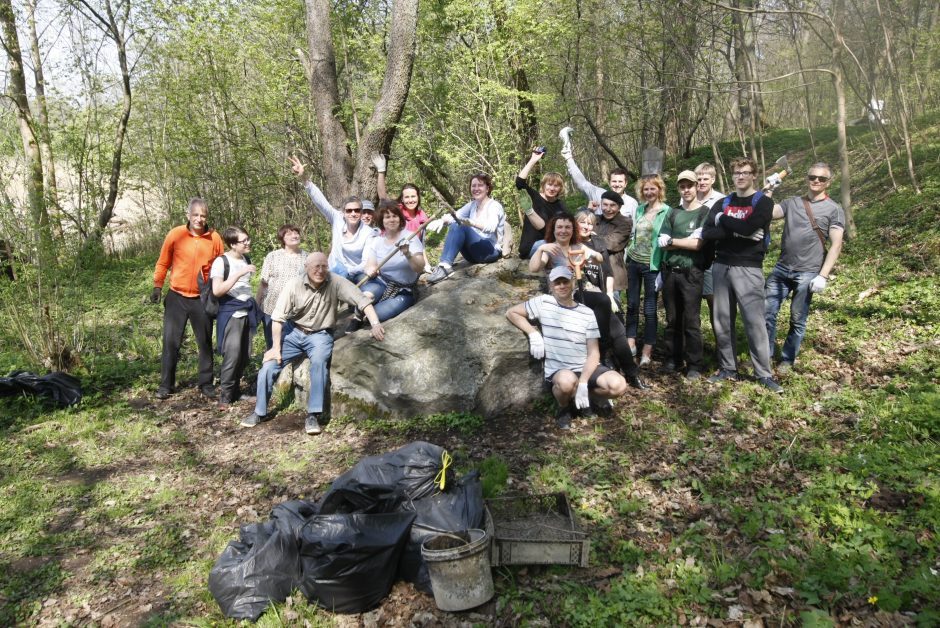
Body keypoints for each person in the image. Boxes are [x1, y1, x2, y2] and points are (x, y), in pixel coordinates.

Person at [242, 252, 384, 435]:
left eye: (324, 266)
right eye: (316, 266)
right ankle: (259, 412)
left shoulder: (335, 282)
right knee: (269, 366)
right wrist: (275, 348)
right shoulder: (294, 285)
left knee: (318, 365)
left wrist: (375, 323)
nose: (320, 270)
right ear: (306, 268)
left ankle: (313, 415)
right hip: (293, 333)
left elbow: (362, 300)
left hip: (320, 335)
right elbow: (277, 319)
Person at [506, 265, 628, 430]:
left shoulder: (587, 312)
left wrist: (584, 382)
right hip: (560, 370)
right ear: (551, 286)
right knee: (566, 382)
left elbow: (593, 353)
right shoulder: (543, 302)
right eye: (557, 283)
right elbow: (512, 313)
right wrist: (533, 333)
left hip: (585, 367)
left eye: (565, 281)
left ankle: (586, 395)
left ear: (572, 283)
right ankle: (564, 408)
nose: (561, 286)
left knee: (618, 385)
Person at [701, 157, 783, 393]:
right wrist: (737, 234)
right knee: (722, 320)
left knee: (754, 322)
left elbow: (749, 227)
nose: (740, 176)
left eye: (745, 172)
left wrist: (723, 221)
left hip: (749, 267)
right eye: (737, 172)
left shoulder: (763, 202)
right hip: (721, 265)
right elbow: (708, 233)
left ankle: (763, 374)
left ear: (754, 175)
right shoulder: (724, 201)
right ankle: (728, 368)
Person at [764, 163, 845, 372]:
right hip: (782, 268)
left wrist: (823, 276)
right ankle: (765, 355)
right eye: (812, 177)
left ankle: (787, 360)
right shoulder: (793, 202)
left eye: (821, 178)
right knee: (766, 312)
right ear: (807, 178)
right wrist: (769, 189)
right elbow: (768, 213)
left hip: (809, 272)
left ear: (829, 182)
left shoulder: (834, 209)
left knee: (797, 319)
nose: (816, 181)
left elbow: (836, 244)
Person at [151, 198, 224, 400]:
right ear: (188, 215)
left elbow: (221, 267)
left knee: (205, 342)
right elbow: (163, 262)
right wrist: (158, 286)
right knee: (171, 342)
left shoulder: (215, 238)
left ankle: (206, 383)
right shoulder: (176, 234)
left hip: (202, 298)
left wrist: (219, 293)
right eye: (196, 215)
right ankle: (166, 385)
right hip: (177, 296)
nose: (199, 219)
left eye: (203, 216)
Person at [575, 210, 646, 390]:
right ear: (575, 223)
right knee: (609, 324)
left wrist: (608, 294)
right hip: (579, 294)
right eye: (582, 222)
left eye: (590, 223)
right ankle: (607, 358)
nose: (586, 226)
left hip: (600, 295)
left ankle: (631, 372)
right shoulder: (571, 243)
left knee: (619, 330)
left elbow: (607, 271)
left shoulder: (598, 242)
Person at [657, 170, 710, 379]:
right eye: (682, 186)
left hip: (692, 273)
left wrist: (672, 241)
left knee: (691, 320)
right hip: (670, 272)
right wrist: (679, 242)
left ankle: (695, 364)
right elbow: (662, 241)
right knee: (672, 319)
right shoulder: (673, 212)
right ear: (678, 188)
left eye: (690, 185)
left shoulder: (704, 213)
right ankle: (673, 358)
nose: (686, 190)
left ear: (697, 186)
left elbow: (697, 244)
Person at [289, 155, 376, 281]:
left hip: (353, 273)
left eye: (357, 210)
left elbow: (365, 262)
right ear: (343, 213)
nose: (353, 213)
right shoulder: (337, 219)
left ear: (361, 213)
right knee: (304, 273)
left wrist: (347, 271)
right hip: (332, 268)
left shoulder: (368, 233)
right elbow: (320, 201)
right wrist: (304, 178)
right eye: (349, 210)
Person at [349, 200, 427, 330]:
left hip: (404, 290)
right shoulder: (377, 242)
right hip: (382, 283)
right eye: (387, 217)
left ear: (400, 218)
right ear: (382, 221)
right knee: (367, 295)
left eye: (394, 216)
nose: (391, 220)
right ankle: (357, 314)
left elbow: (419, 267)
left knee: (374, 315)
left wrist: (408, 254)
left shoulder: (410, 237)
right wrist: (370, 270)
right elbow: (370, 265)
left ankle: (362, 313)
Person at [624, 174, 670, 367]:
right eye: (645, 189)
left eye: (653, 188)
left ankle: (647, 351)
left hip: (652, 266)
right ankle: (631, 344)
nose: (649, 192)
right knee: (632, 305)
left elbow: (666, 241)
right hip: (633, 263)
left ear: (659, 190)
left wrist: (662, 269)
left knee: (650, 309)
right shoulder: (640, 210)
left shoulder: (667, 212)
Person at [426, 173, 507, 283]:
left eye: (480, 185)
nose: (476, 188)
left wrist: (472, 223)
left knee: (461, 226)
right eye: (473, 186)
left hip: (490, 251)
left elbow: (491, 227)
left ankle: (445, 267)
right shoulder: (472, 205)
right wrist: (443, 221)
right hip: (473, 255)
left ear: (487, 188)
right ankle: (443, 265)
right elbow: (456, 216)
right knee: (457, 224)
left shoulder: (494, 206)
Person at [211, 227, 260, 405]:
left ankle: (236, 392)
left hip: (246, 311)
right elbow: (217, 291)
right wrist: (239, 273)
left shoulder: (246, 258)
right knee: (232, 355)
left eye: (248, 239)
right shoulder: (221, 262)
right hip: (231, 313)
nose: (248, 243)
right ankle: (225, 397)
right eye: (243, 241)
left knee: (244, 355)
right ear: (233, 244)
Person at [560, 138, 638, 221]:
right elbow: (581, 183)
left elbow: (634, 230)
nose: (617, 184)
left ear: (625, 183)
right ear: (609, 182)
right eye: (614, 181)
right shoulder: (598, 194)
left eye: (620, 181)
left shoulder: (632, 203)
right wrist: (568, 158)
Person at [256, 224, 307, 350]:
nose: (295, 236)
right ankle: (273, 368)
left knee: (292, 346)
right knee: (273, 345)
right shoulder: (272, 256)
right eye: (289, 234)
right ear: (282, 238)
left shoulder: (307, 257)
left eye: (296, 233)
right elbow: (263, 284)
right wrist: (257, 307)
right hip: (271, 309)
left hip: (295, 312)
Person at [515, 148, 568, 259]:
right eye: (549, 184)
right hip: (532, 246)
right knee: (556, 246)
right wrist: (533, 160)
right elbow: (519, 182)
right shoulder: (534, 197)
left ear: (560, 188)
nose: (552, 188)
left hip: (550, 244)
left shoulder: (561, 207)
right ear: (543, 185)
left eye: (556, 186)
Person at [694, 163, 726, 326]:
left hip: (713, 256)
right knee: (692, 304)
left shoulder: (721, 199)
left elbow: (725, 228)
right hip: (693, 255)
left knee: (713, 301)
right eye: (699, 178)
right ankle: (695, 346)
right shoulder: (691, 196)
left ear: (713, 179)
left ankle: (721, 345)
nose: (702, 182)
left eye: (705, 178)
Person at [593, 190, 632, 306]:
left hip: (613, 274)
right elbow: (578, 229)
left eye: (612, 205)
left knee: (613, 311)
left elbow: (611, 244)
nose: (608, 209)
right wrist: (588, 210)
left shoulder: (625, 222)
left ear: (619, 207)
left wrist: (591, 237)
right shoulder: (595, 219)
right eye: (605, 205)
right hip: (593, 273)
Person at [373, 154, 429, 234]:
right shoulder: (397, 210)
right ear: (402, 199)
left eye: (413, 196)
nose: (410, 200)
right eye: (407, 197)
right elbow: (383, 197)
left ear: (418, 197)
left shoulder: (422, 215)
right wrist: (381, 171)